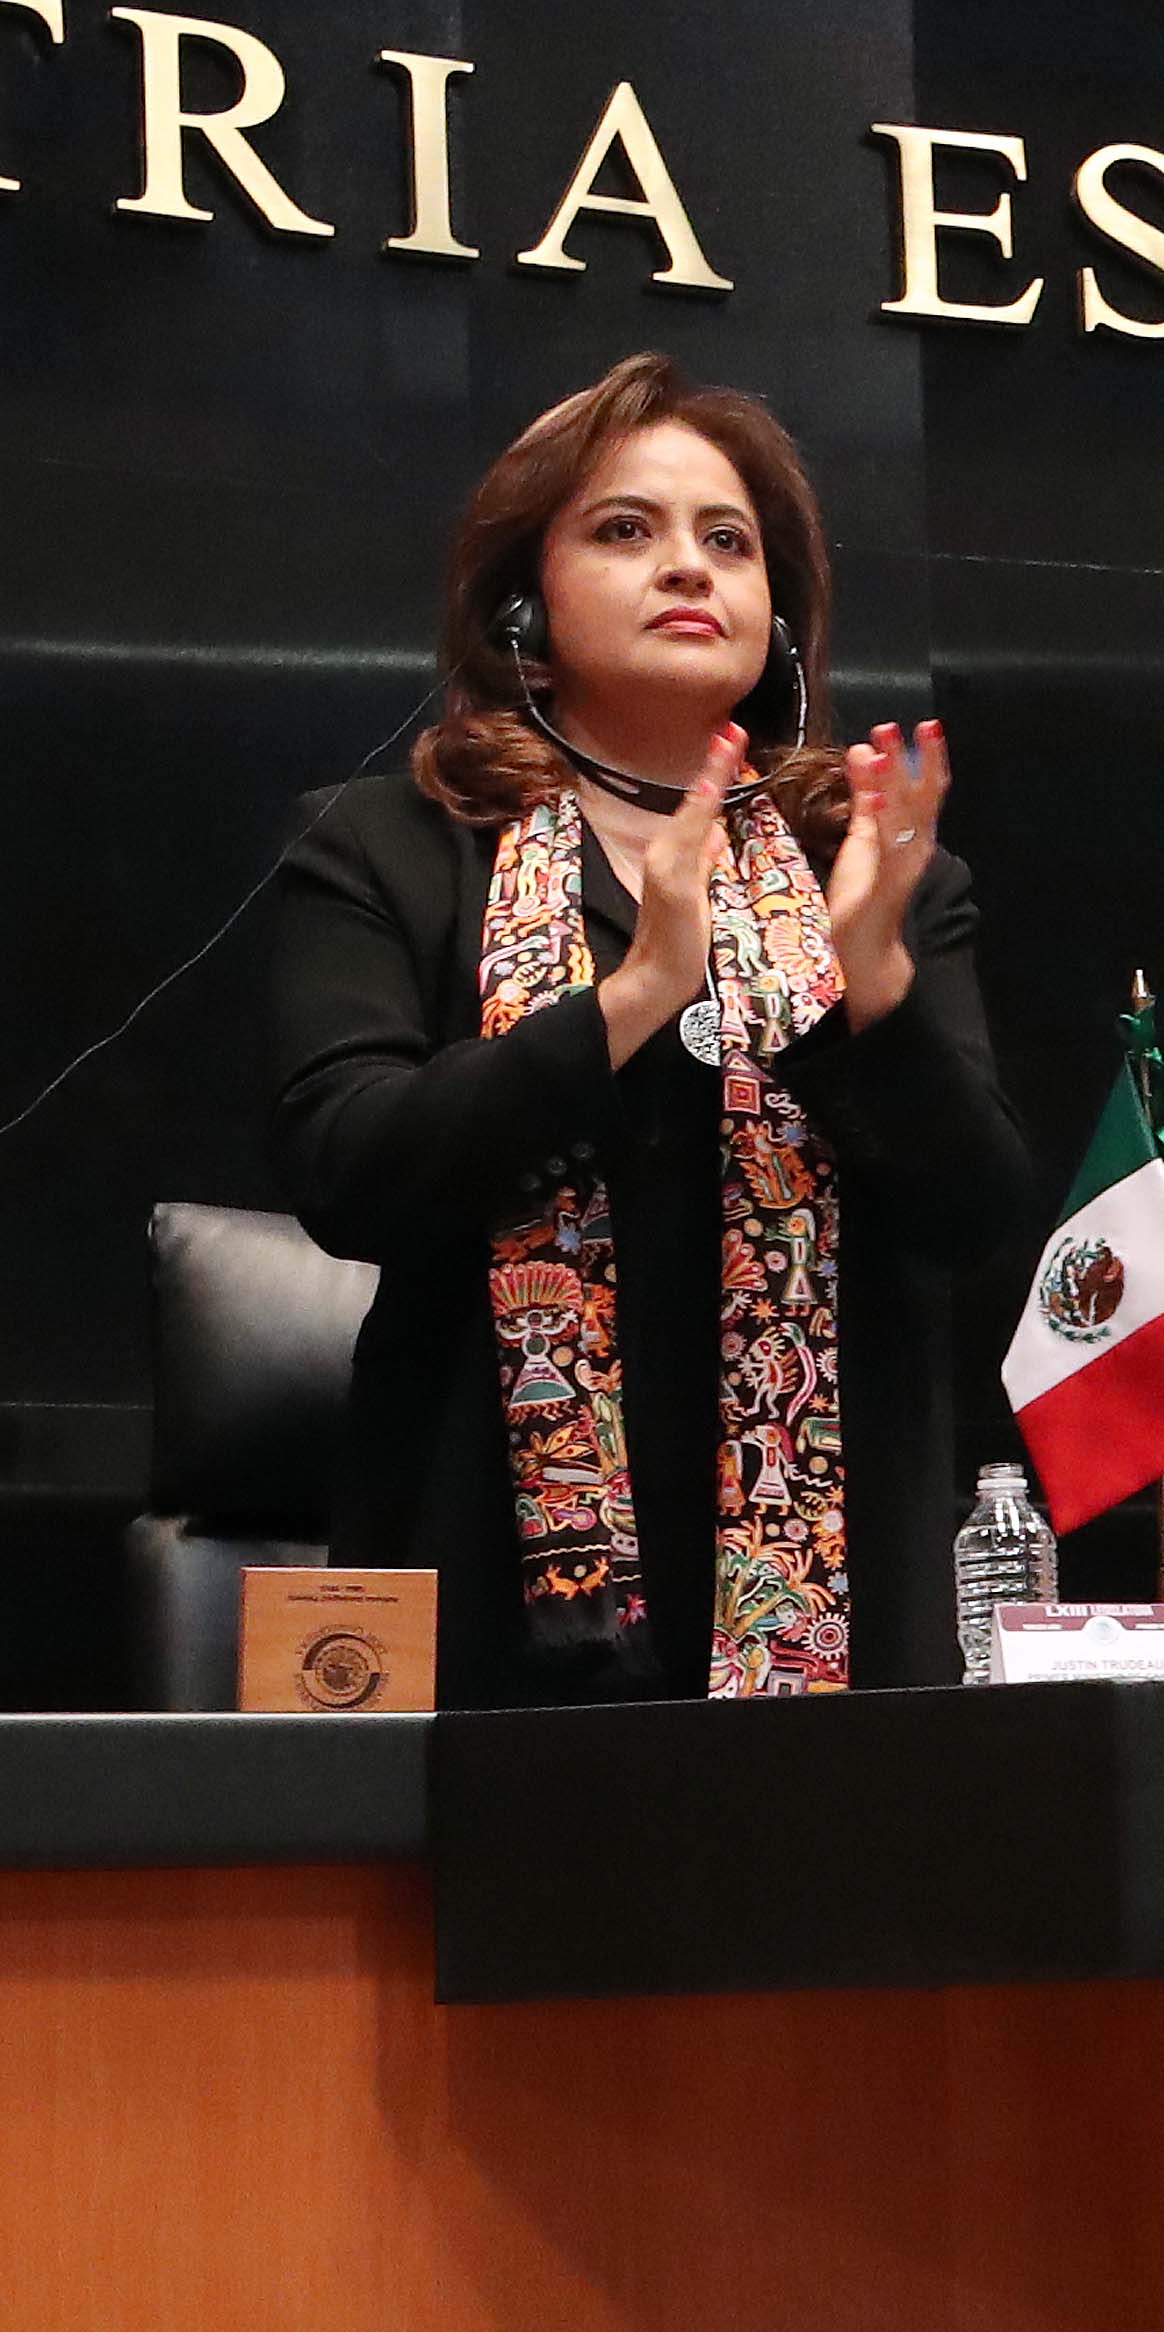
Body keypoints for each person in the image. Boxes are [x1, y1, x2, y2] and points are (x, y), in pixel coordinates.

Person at [269, 355, 1034, 1703]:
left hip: (831, 1634)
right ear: (523, 606)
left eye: (727, 542)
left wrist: (869, 978)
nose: (689, 568)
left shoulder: (870, 865)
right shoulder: (391, 848)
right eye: (627, 530)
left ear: (778, 619)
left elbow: (974, 1218)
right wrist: (635, 998)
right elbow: (351, 1171)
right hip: (492, 1620)